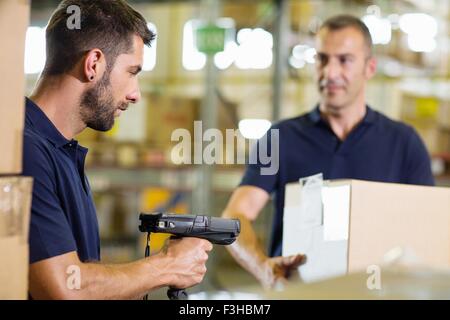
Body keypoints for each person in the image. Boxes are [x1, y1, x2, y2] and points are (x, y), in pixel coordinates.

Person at [221, 14, 434, 289]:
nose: (330, 72)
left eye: (344, 60)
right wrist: (265, 269)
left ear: (370, 68)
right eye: (322, 59)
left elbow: (427, 228)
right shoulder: (281, 138)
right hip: (301, 293)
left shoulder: (404, 142)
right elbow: (235, 215)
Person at [24, 0, 212, 299]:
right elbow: (64, 288)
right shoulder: (26, 150)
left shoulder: (61, 151)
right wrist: (167, 266)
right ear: (94, 64)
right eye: (132, 72)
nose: (135, 94)